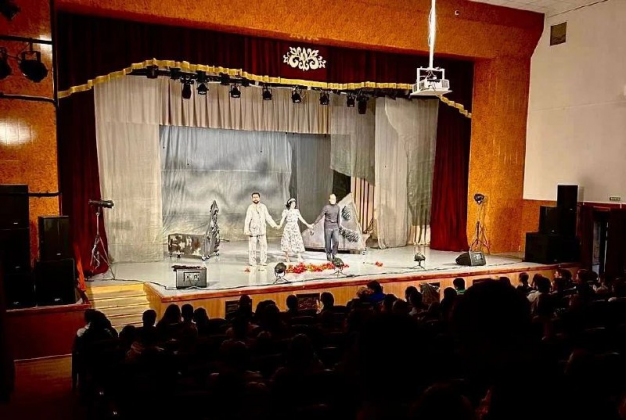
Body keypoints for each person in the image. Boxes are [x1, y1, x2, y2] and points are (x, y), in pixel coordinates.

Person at [244, 192, 278, 267]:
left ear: (259, 198)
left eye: (256, 197)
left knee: (264, 246)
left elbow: (268, 217)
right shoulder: (250, 207)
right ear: (252, 199)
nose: (255, 199)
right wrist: (246, 230)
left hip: (262, 229)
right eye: (254, 197)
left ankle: (263, 261)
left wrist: (273, 225)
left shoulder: (263, 207)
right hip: (253, 230)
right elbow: (247, 219)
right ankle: (252, 262)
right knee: (252, 247)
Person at [277, 198, 313, 262]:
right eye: (292, 203)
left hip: (295, 227)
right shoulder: (286, 211)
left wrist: (307, 225)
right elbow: (282, 219)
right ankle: (287, 257)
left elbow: (301, 219)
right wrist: (280, 225)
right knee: (286, 241)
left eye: (294, 203)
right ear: (289, 204)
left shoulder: (296, 211)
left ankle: (299, 257)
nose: (294, 204)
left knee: (297, 241)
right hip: (288, 227)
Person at [314, 193, 341, 261]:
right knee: (327, 241)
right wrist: (315, 223)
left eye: (334, 198)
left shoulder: (338, 207)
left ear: (336, 199)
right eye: (332, 198)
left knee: (336, 241)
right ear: (329, 200)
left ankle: (334, 254)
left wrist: (338, 226)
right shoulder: (326, 207)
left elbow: (338, 217)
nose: (333, 200)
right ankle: (328, 254)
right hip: (328, 226)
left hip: (335, 226)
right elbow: (321, 215)